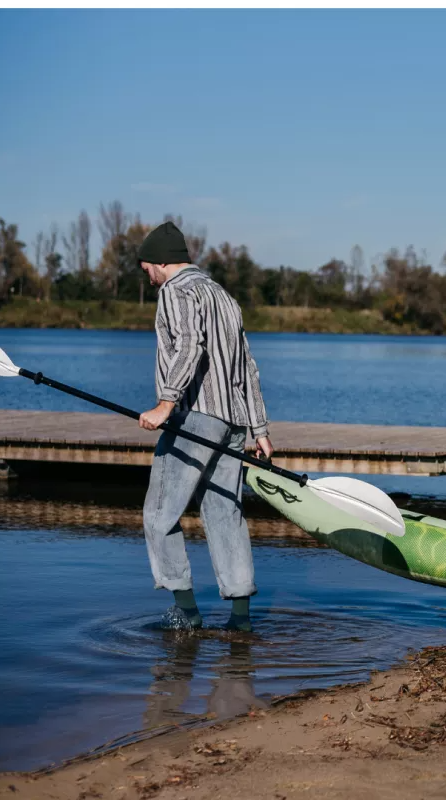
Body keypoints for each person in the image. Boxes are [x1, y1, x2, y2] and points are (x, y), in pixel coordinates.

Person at [136, 221, 273, 632]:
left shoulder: (175, 291)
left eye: (147, 266)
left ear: (163, 261)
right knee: (224, 513)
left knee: (159, 514)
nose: (146, 273)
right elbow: (246, 366)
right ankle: (240, 621)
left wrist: (166, 403)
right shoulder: (223, 296)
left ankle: (187, 613)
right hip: (233, 423)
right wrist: (259, 429)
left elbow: (190, 343)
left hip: (195, 417)